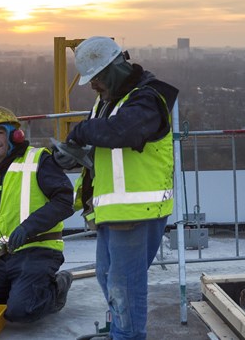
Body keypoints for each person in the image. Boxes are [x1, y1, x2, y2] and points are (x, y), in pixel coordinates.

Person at [60, 36, 179, 340]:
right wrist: (71, 155)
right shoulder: (107, 101)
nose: (92, 87)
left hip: (137, 211)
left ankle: (127, 336)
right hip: (113, 210)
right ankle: (123, 331)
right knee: (107, 277)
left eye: (96, 78)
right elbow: (100, 144)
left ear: (113, 67)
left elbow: (122, 132)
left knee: (124, 285)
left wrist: (80, 131)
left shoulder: (148, 98)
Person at [0, 104, 75, 322]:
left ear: (14, 135)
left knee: (20, 310)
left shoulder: (38, 160)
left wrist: (28, 228)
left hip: (40, 251)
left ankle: (58, 287)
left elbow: (64, 201)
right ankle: (20, 288)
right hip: (6, 254)